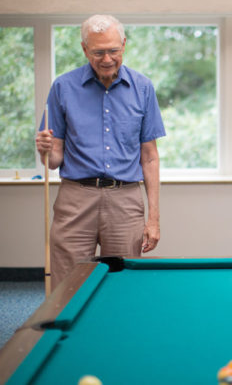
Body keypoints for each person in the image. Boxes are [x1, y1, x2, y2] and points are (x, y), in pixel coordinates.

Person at [36, 14, 166, 290]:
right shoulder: (63, 87)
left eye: (113, 51)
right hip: (75, 198)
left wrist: (153, 219)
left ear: (124, 45)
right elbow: (54, 159)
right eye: (98, 52)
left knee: (123, 284)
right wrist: (45, 150)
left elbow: (150, 157)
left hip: (125, 199)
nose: (107, 59)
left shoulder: (142, 88)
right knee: (68, 284)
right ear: (85, 49)